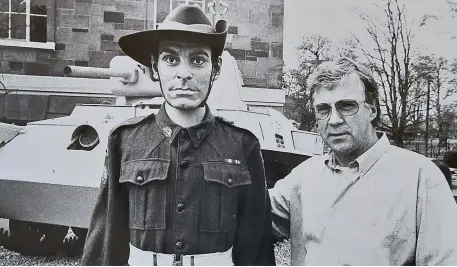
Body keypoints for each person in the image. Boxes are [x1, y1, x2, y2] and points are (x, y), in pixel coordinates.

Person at [81, 5, 275, 266]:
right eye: (171, 59)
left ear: (215, 69)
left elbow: (256, 249)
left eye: (198, 60)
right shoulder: (125, 141)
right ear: (154, 68)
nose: (184, 73)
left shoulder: (242, 145)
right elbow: (106, 241)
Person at [269, 57, 457, 265]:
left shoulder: (421, 178)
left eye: (347, 106)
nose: (334, 120)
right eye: (323, 109)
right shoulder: (303, 178)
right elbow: (247, 216)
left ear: (373, 109)